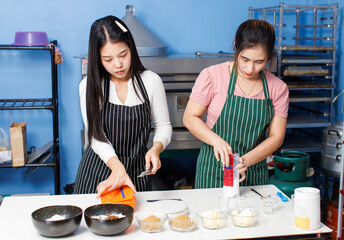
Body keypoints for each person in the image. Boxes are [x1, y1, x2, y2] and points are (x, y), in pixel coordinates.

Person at [73, 16, 172, 196]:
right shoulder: (88, 86)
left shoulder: (151, 81)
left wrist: (156, 148)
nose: (118, 64)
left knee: (135, 222)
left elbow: (164, 126)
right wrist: (117, 167)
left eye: (123, 55)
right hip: (97, 172)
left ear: (131, 48)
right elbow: (95, 136)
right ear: (97, 58)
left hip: (136, 172)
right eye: (108, 59)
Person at [183, 19, 289, 188]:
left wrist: (245, 161)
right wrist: (216, 141)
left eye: (259, 62)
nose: (250, 68)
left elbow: (277, 137)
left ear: (270, 55)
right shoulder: (213, 76)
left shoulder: (278, 88)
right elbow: (190, 118)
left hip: (253, 172)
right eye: (244, 59)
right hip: (213, 170)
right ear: (235, 47)